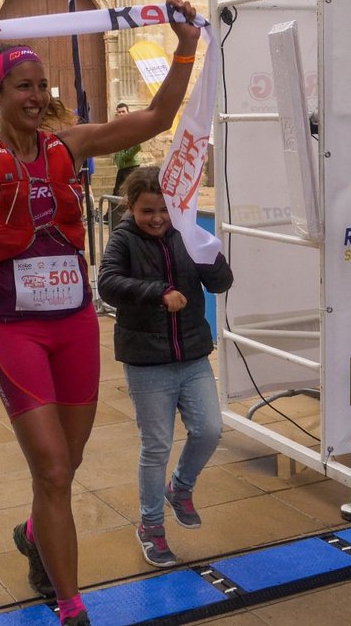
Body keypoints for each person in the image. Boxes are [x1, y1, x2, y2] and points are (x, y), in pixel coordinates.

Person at [0, 0, 202, 625]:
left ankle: (32, 533)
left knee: (66, 466)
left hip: (74, 323)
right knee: (51, 466)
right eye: (24, 85)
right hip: (12, 326)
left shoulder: (67, 146)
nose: (36, 94)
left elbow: (158, 116)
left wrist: (184, 44)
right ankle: (71, 607)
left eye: (42, 84)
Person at [96, 167, 233, 568]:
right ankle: (151, 525)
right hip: (147, 361)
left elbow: (221, 283)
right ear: (131, 208)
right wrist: (158, 293)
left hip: (191, 353)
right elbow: (107, 283)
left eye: (164, 211)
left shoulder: (187, 233)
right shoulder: (123, 238)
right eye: (146, 211)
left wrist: (210, 258)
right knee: (156, 446)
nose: (157, 218)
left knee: (209, 429)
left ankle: (181, 487)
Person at [109, 103, 142, 228]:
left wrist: (124, 156)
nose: (121, 114)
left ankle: (131, 219)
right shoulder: (119, 127)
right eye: (119, 112)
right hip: (122, 168)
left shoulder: (132, 126)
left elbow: (137, 145)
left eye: (123, 111)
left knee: (130, 192)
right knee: (117, 193)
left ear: (128, 112)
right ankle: (116, 221)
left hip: (131, 166)